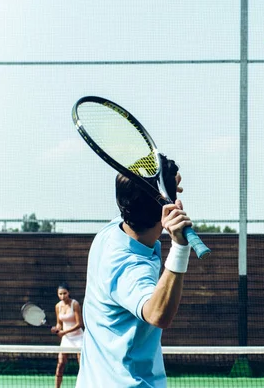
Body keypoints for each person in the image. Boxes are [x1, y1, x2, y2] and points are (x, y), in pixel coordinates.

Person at [76, 155, 193, 388]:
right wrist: (180, 247)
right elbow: (157, 314)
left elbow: (137, 194)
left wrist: (166, 185)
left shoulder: (111, 232)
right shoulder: (128, 267)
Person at [51, 282, 83, 388]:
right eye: (60, 294)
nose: (62, 296)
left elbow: (79, 324)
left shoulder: (75, 304)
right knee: (60, 365)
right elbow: (59, 323)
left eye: (64, 293)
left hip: (78, 338)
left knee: (82, 365)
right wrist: (57, 329)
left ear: (69, 293)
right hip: (66, 339)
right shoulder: (57, 306)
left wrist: (64, 332)